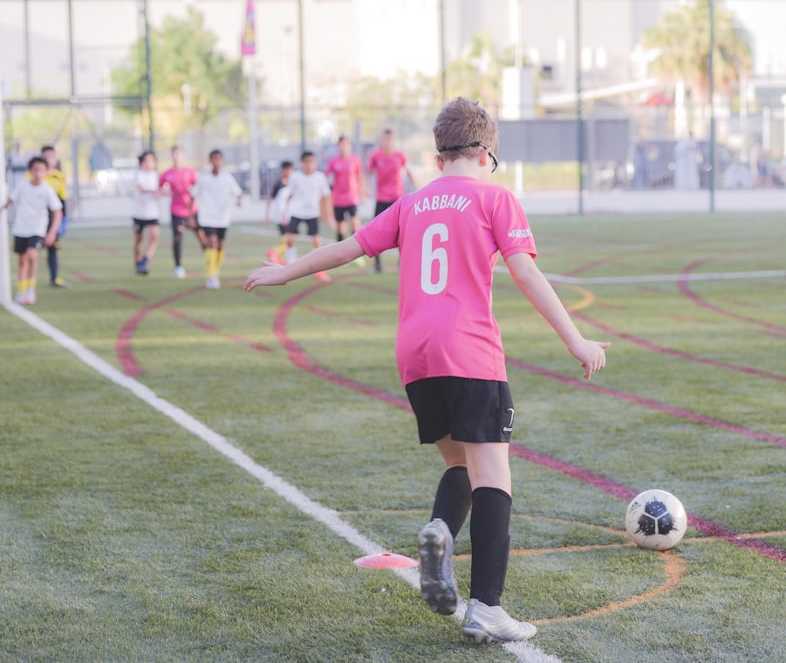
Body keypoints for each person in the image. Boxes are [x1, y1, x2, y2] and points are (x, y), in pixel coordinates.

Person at [245, 97, 610, 643]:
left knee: (459, 461)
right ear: (486, 153)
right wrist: (576, 339)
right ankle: (487, 608)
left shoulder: (413, 202)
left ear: (440, 158)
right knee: (493, 475)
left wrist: (285, 272)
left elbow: (348, 248)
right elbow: (528, 275)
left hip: (414, 355)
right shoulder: (496, 198)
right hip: (469, 349)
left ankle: (442, 527)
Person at [0, 156, 62, 305]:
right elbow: (11, 200)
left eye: (41, 170)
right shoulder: (23, 185)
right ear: (30, 171)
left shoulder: (47, 190)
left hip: (37, 228)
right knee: (22, 260)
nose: (38, 173)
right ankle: (21, 290)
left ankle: (31, 290)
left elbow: (57, 212)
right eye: (35, 170)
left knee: (32, 255)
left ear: (45, 172)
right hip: (21, 227)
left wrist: (52, 232)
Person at [191, 149, 243, 289]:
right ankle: (211, 276)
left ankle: (215, 271)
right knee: (212, 243)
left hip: (223, 217)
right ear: (210, 161)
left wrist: (239, 200)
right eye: (214, 159)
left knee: (220, 246)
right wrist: (191, 215)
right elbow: (193, 195)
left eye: (219, 159)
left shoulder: (227, 177)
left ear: (222, 161)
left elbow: (238, 192)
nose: (217, 162)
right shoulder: (203, 177)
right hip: (207, 217)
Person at [367, 129, 415, 272]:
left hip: (397, 198)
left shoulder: (400, 156)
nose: (388, 142)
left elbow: (409, 172)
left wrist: (418, 188)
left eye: (390, 139)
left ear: (393, 140)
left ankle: (403, 262)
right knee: (374, 231)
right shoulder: (376, 156)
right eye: (385, 139)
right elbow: (367, 174)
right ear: (381, 140)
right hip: (381, 198)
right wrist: (365, 189)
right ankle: (377, 264)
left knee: (402, 231)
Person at [282, 151, 332, 282]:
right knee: (289, 238)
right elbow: (290, 195)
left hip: (312, 213)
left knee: (316, 241)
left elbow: (326, 196)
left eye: (312, 162)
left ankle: (320, 270)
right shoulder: (295, 177)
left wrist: (328, 215)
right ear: (302, 163)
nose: (310, 165)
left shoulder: (320, 177)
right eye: (307, 162)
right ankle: (290, 266)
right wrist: (285, 213)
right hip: (297, 212)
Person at [159, 145, 198, 279]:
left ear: (183, 155)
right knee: (177, 239)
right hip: (176, 210)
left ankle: (211, 263)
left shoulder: (190, 171)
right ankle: (178, 267)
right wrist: (167, 192)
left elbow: (198, 187)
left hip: (191, 210)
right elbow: (158, 190)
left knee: (203, 237)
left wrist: (191, 190)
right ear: (171, 156)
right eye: (174, 154)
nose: (176, 157)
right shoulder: (167, 173)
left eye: (179, 154)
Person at [324, 135, 365, 242]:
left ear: (350, 146)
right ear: (338, 146)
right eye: (341, 144)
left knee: (354, 224)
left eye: (345, 144)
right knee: (341, 227)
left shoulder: (355, 160)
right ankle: (340, 252)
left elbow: (359, 176)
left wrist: (362, 192)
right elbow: (325, 176)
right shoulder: (333, 161)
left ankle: (356, 253)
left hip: (352, 198)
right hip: (338, 199)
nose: (343, 147)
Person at [40, 145, 69, 288]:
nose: (49, 159)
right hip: (37, 216)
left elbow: (62, 198)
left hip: (53, 216)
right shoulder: (34, 175)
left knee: (53, 247)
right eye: (46, 157)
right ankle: (26, 282)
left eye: (51, 156)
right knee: (31, 251)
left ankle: (54, 278)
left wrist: (64, 218)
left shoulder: (59, 176)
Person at [132, 151, 162, 275]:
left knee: (154, 236)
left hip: (152, 213)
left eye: (152, 160)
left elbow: (162, 190)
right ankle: (138, 261)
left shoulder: (157, 176)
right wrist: (154, 191)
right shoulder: (139, 175)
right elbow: (141, 189)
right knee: (139, 240)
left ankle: (145, 260)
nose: (149, 163)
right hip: (139, 213)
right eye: (147, 160)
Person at [264, 161, 294, 265]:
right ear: (282, 171)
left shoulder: (293, 183)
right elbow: (270, 199)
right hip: (282, 216)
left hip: (289, 215)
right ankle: (275, 252)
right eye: (286, 170)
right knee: (288, 239)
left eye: (290, 170)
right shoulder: (278, 184)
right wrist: (267, 216)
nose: (288, 172)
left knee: (286, 238)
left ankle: (280, 259)